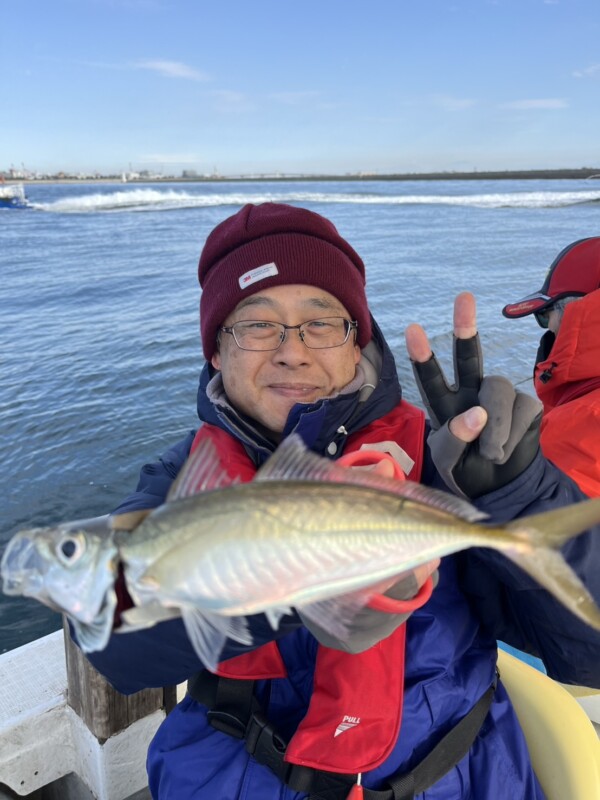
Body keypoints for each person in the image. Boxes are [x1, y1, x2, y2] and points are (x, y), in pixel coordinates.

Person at [83, 204, 599, 800]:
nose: (292, 352)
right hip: (234, 775)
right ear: (216, 353)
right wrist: (298, 580)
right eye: (256, 325)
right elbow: (110, 640)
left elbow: (588, 657)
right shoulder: (180, 482)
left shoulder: (444, 458)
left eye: (322, 323)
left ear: (359, 344)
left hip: (464, 777)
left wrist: (522, 492)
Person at [502, 236, 600, 498]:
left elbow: (552, 532)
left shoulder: (582, 421)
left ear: (580, 312)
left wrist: (496, 487)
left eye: (545, 314)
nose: (547, 328)